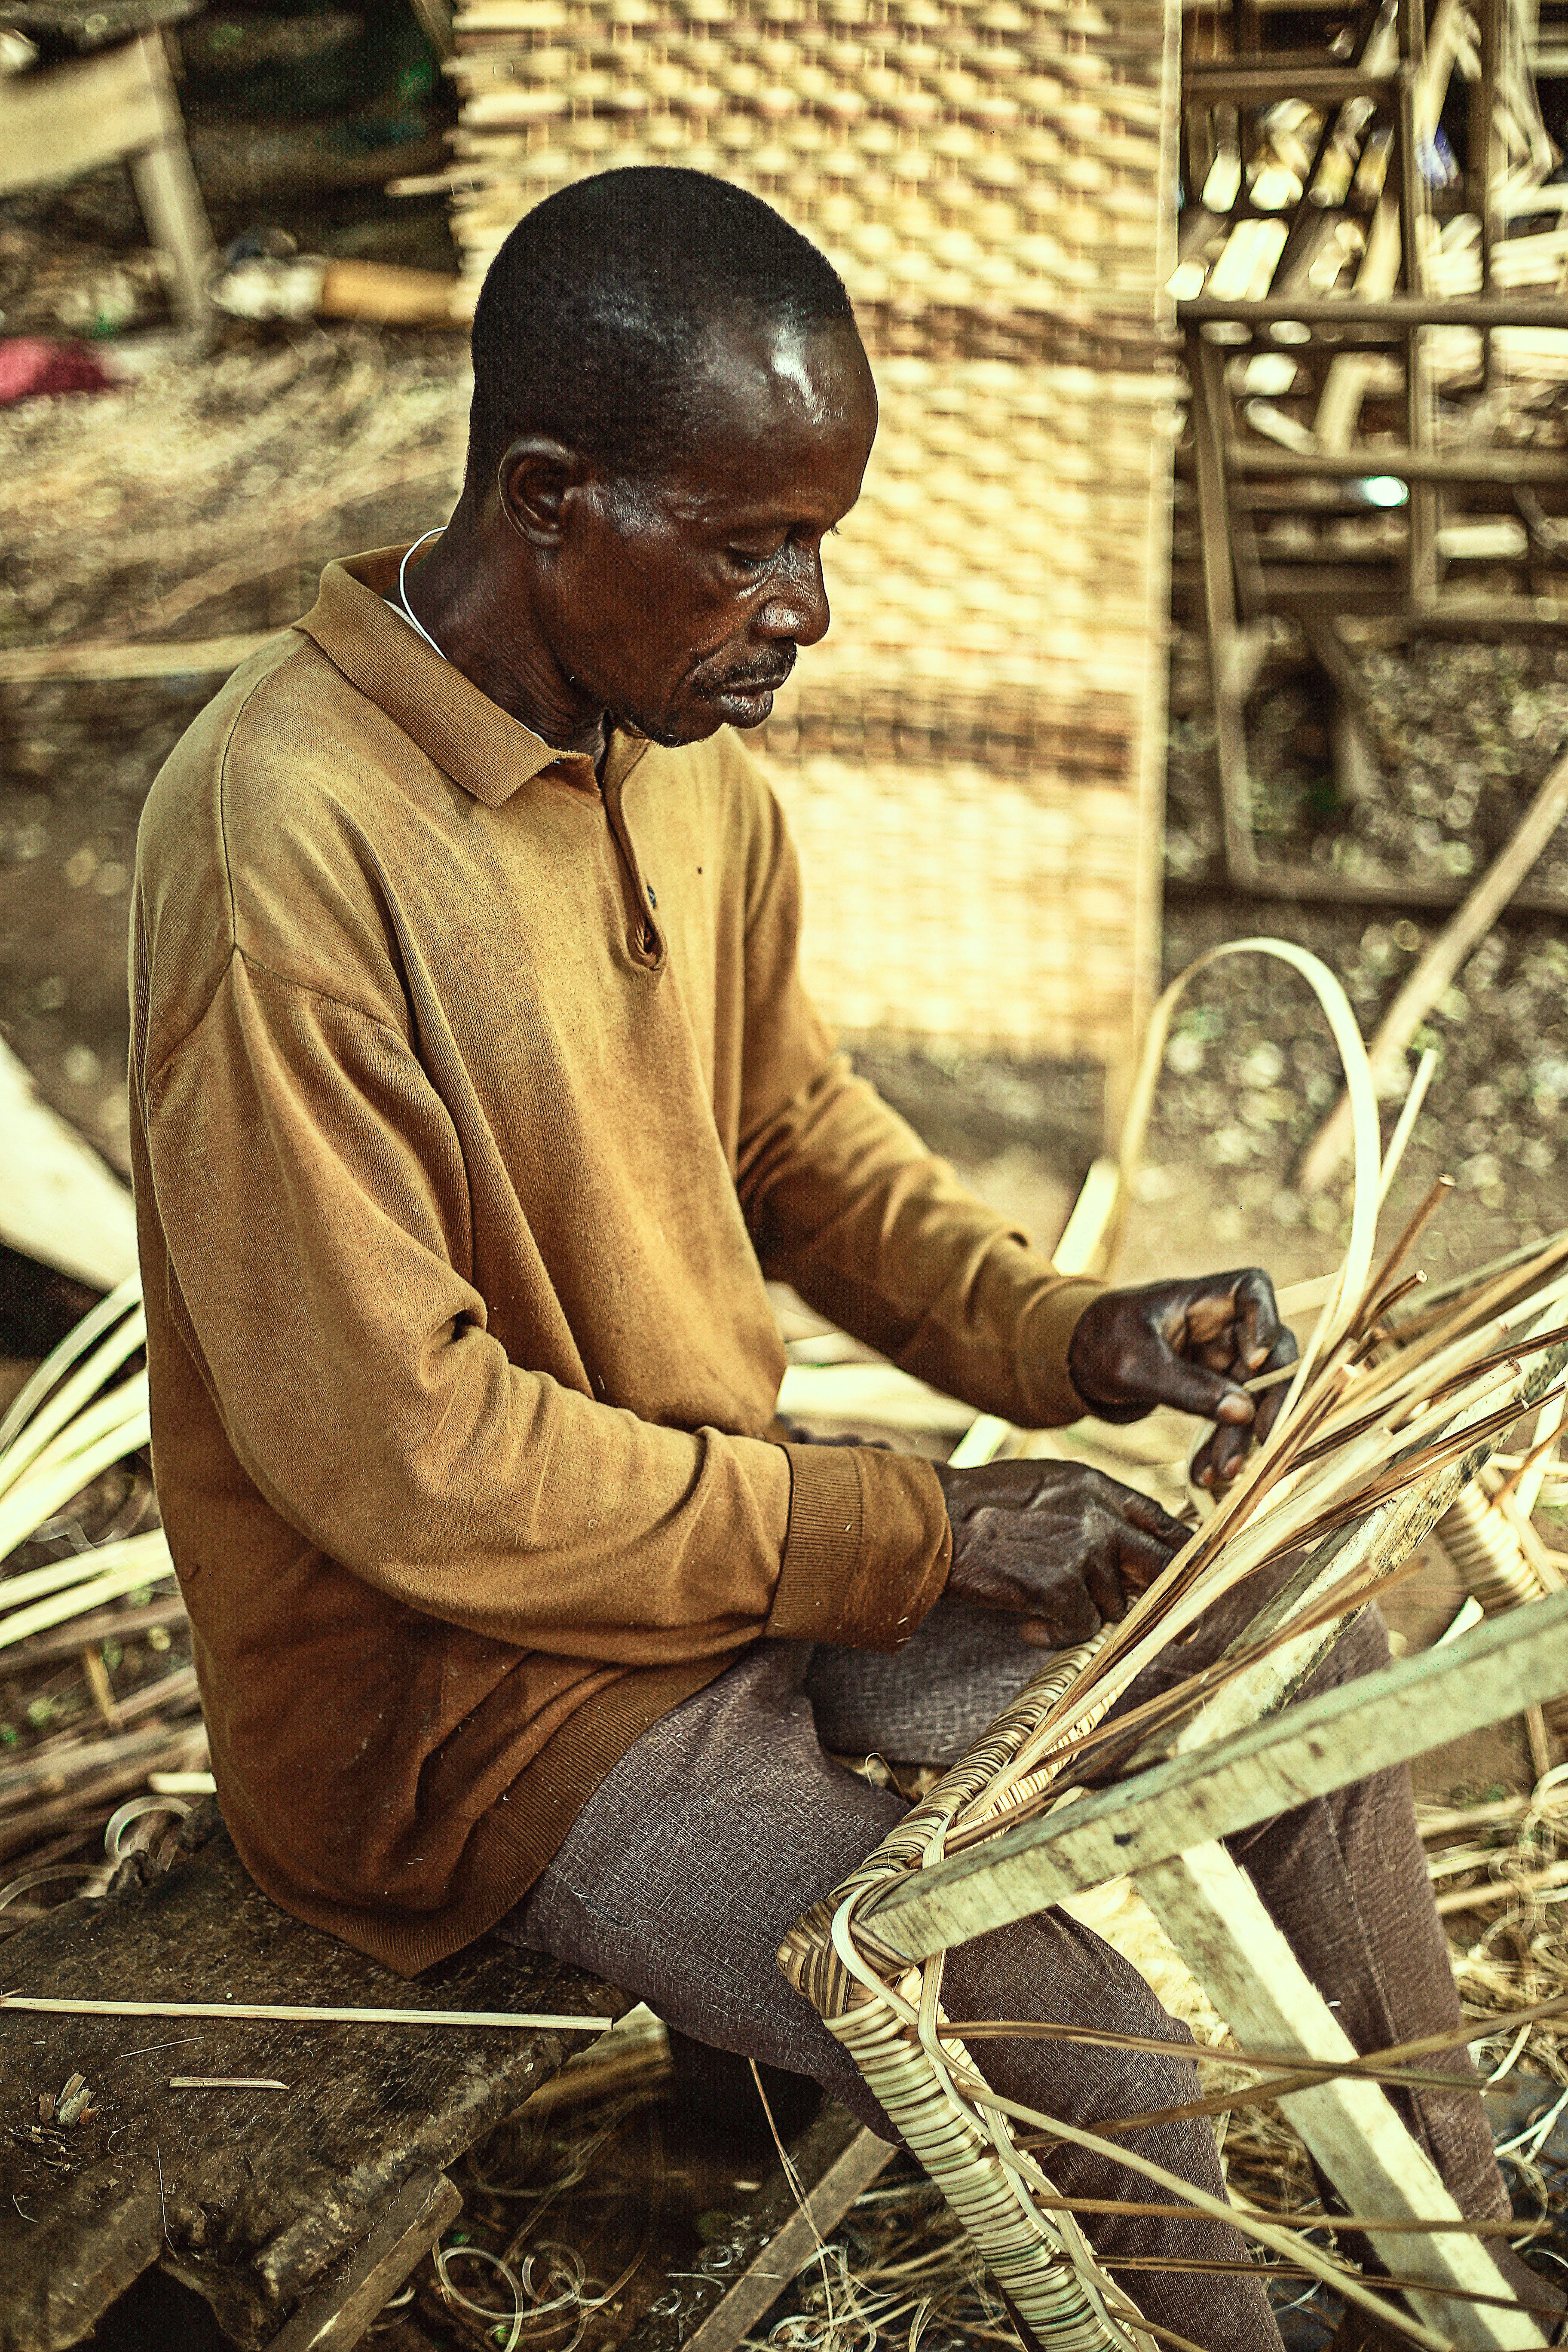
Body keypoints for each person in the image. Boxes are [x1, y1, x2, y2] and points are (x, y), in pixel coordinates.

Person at [128, 168, 1556, 2350]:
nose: (806, 608)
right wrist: (916, 1529)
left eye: (824, 543)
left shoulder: (681, 752)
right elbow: (409, 1465)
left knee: (1305, 1669)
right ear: (547, 497)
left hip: (731, 1554)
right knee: (1079, 2034)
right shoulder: (283, 840)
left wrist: (1072, 1333)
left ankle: (1463, 2291)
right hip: (470, 1714)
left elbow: (796, 1142)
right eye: (751, 544)